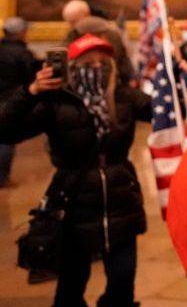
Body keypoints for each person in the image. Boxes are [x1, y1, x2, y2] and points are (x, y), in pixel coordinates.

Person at [0, 34, 152, 306]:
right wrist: (30, 91)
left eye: (101, 61)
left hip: (121, 198)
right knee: (71, 283)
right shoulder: (55, 102)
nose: (95, 67)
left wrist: (181, 77)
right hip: (73, 201)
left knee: (122, 279)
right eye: (86, 62)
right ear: (72, 65)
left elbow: (165, 113)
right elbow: (7, 130)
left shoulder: (123, 96)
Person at [0, 17, 39, 187]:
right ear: (20, 33)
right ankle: (2, 178)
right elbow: (31, 77)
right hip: (11, 99)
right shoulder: (22, 54)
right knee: (6, 139)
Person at [62, 0, 135, 86]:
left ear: (86, 14)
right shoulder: (112, 29)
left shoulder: (76, 32)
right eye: (69, 22)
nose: (71, 26)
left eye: (72, 22)